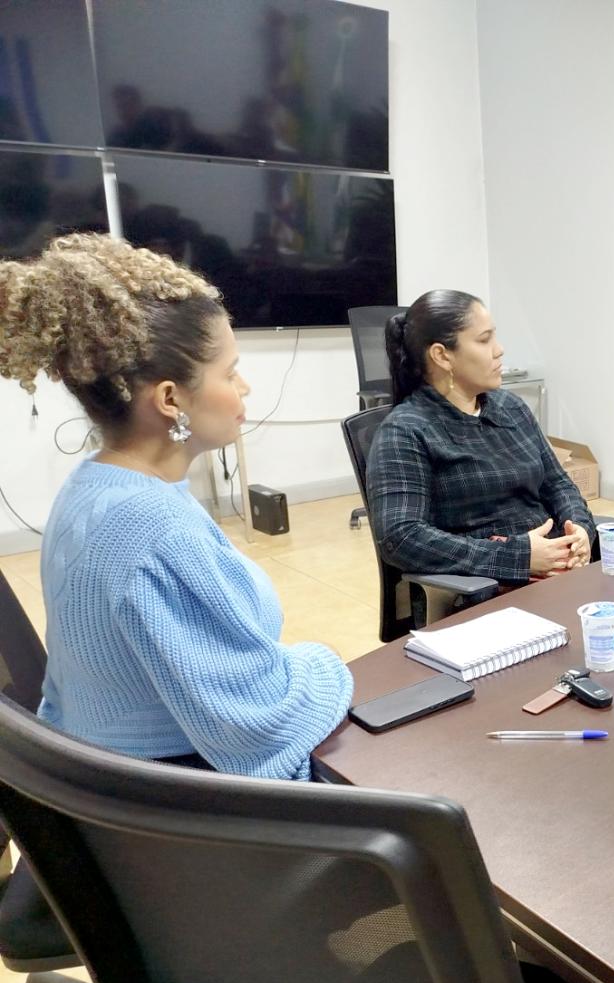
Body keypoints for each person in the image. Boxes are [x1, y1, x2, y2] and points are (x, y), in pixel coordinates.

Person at [0, 234, 353, 781]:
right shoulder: (155, 531)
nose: (246, 388)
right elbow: (258, 727)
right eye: (230, 372)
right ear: (170, 399)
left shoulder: (90, 487)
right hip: (174, 805)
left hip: (110, 790)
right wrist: (327, 663)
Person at [366, 290, 593, 585]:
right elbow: (401, 537)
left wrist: (579, 528)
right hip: (485, 589)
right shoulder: (405, 431)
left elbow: (557, 483)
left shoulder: (510, 407)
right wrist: (516, 556)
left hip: (559, 572)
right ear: (442, 355)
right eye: (484, 340)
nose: (499, 350)